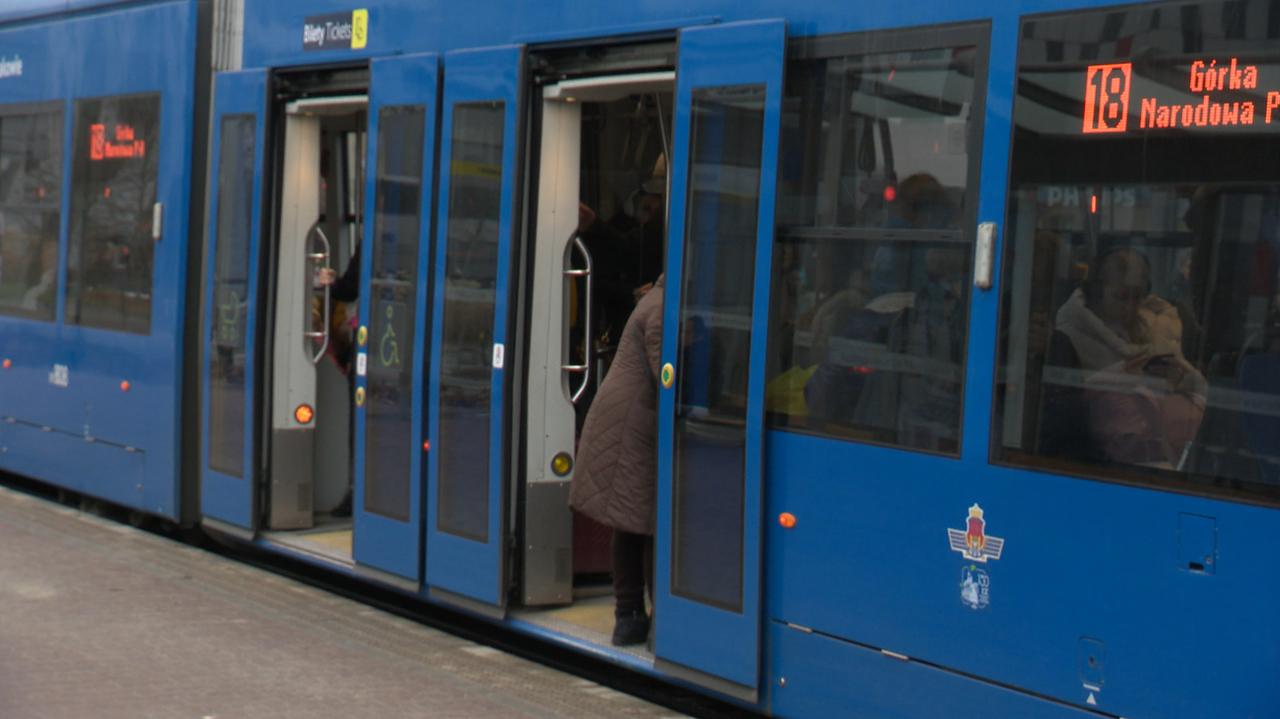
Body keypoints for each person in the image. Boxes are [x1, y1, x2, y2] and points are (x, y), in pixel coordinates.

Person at [1044, 247, 1207, 468]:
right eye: (1121, 297)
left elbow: (1195, 386)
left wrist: (1178, 379)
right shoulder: (1070, 336)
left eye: (1138, 296)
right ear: (1097, 291)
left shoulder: (1160, 326)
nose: (1130, 307)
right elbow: (1067, 411)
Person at [569, 274, 664, 646]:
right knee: (647, 523)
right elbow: (666, 378)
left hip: (630, 424)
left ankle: (630, 618)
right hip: (632, 427)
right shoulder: (661, 310)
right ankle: (647, 620)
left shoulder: (655, 301)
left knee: (633, 521)